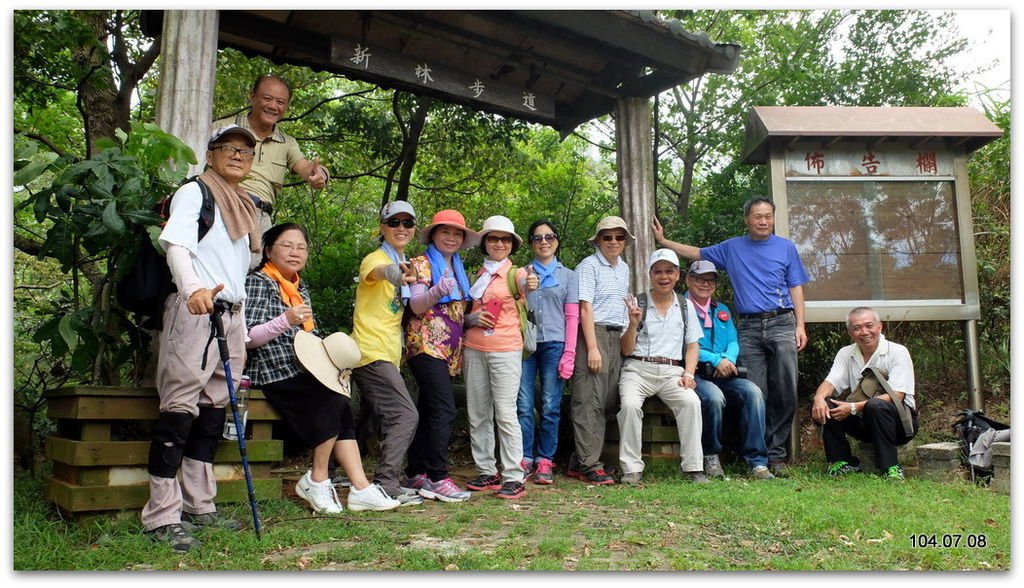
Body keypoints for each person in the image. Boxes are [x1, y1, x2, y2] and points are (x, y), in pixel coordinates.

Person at [141, 125, 262, 552]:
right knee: (178, 411)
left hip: (230, 315)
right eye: (228, 148)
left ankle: (199, 504)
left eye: (246, 151)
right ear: (210, 155)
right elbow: (176, 245)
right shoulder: (195, 192)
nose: (238, 155)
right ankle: (161, 515)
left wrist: (241, 320)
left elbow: (239, 268)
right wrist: (192, 288)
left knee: (213, 413)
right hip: (197, 310)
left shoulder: (245, 206)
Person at [243, 223, 400, 514]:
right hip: (272, 369)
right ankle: (317, 478)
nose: (295, 252)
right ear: (268, 250)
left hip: (303, 366)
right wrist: (285, 320)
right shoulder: (259, 281)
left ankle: (361, 487)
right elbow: (249, 337)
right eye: (287, 245)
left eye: (301, 247)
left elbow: (309, 335)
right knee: (333, 398)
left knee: (340, 398)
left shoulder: (298, 287)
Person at [653, 197, 809, 476]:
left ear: (774, 218)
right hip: (749, 325)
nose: (763, 221)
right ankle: (755, 458)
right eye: (758, 216)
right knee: (756, 392)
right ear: (747, 219)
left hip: (783, 321)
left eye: (768, 216)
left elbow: (796, 286)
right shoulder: (732, 248)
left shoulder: (785, 248)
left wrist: (800, 325)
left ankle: (775, 456)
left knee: (786, 390)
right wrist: (665, 242)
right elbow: (697, 254)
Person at [400, 210, 479, 503]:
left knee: (430, 407)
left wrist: (473, 319)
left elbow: (454, 313)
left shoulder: (457, 268)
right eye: (445, 232)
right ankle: (436, 476)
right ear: (433, 235)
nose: (452, 237)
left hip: (448, 351)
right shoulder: (421, 264)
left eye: (457, 233)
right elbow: (418, 306)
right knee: (445, 408)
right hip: (424, 345)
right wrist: (436, 290)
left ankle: (415, 472)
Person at [349, 201, 423, 506]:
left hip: (388, 352)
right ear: (383, 227)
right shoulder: (376, 259)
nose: (402, 228)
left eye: (408, 223)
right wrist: (397, 273)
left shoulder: (406, 260)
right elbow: (379, 273)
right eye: (394, 222)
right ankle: (386, 483)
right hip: (371, 351)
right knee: (405, 414)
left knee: (367, 420)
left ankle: (342, 475)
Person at [213, 74, 330, 261]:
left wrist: (319, 174)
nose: (273, 106)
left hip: (260, 218)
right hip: (222, 205)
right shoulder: (222, 128)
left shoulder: (287, 142)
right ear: (252, 96)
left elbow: (306, 166)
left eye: (280, 102)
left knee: (251, 276)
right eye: (267, 98)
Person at [617, 249, 707, 484]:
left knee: (691, 402)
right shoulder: (638, 303)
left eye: (669, 271)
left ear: (678, 275)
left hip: (671, 372)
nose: (664, 276)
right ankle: (631, 469)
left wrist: (689, 373)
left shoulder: (685, 306)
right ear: (650, 274)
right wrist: (633, 323)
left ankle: (693, 468)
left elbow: (692, 346)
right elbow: (626, 350)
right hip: (637, 369)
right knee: (629, 406)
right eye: (658, 271)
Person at [684, 260, 773, 481]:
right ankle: (711, 455)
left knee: (753, 393)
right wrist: (715, 360)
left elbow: (733, 341)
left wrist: (727, 360)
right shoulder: (680, 307)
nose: (705, 284)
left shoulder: (721, 309)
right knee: (713, 398)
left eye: (710, 280)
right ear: (688, 280)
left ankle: (757, 462)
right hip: (694, 373)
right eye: (700, 279)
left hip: (725, 372)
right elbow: (683, 345)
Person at [463, 215, 531, 499]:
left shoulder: (518, 275)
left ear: (512, 245)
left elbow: (534, 289)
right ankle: (486, 470)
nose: (499, 243)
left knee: (505, 412)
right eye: (493, 238)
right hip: (474, 347)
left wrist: (533, 284)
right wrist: (472, 318)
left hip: (506, 348)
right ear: (485, 243)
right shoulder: (473, 274)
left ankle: (514, 474)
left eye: (505, 239)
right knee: (478, 413)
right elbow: (460, 315)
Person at [810, 307, 918, 481]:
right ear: (850, 332)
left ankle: (891, 466)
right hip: (865, 422)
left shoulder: (898, 352)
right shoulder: (846, 353)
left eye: (869, 326)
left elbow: (897, 396)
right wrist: (818, 399)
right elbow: (830, 383)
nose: (864, 332)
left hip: (901, 424)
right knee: (826, 404)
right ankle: (843, 461)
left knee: (876, 405)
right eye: (857, 328)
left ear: (880, 327)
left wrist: (853, 407)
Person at [567, 215, 634, 485]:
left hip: (616, 335)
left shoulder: (624, 268)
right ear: (598, 240)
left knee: (607, 400)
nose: (614, 242)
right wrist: (592, 348)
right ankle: (590, 465)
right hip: (593, 333)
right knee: (588, 400)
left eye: (619, 237)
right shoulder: (588, 266)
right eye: (608, 237)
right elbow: (585, 307)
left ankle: (578, 459)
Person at [517, 219, 578, 485]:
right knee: (523, 404)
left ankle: (545, 459)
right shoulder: (519, 273)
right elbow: (512, 308)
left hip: (555, 343)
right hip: (524, 345)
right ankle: (524, 457)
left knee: (551, 404)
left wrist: (570, 353)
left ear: (557, 241)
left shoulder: (569, 276)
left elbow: (573, 316)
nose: (544, 242)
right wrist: (522, 289)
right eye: (538, 238)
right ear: (531, 243)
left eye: (549, 237)